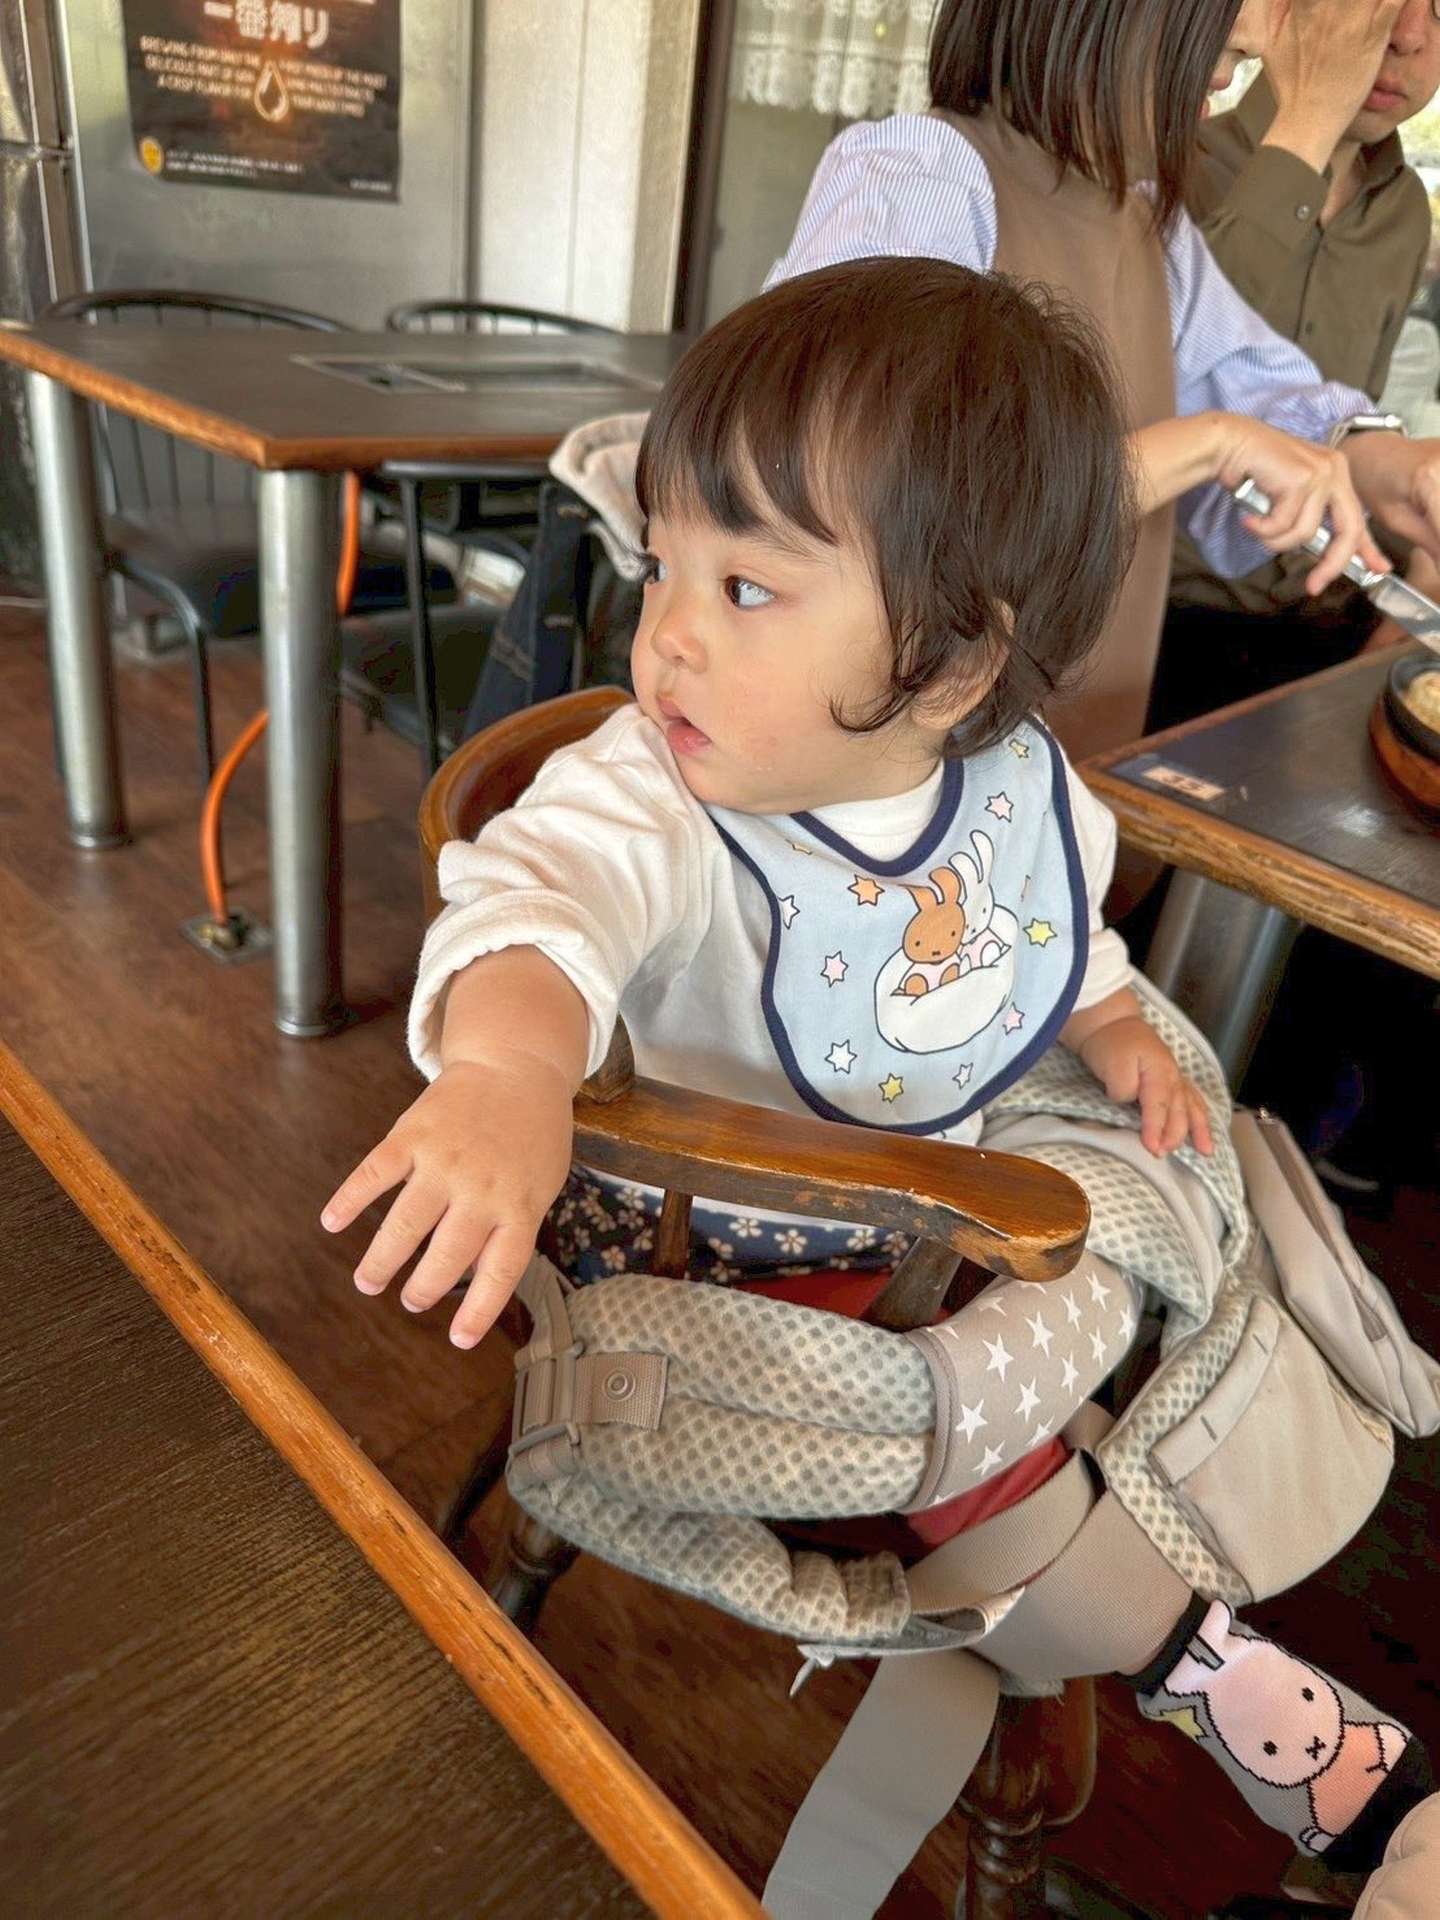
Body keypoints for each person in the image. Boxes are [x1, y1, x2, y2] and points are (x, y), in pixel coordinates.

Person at [322, 260, 1434, 1892]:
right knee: (985, 1430)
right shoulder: (655, 795)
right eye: (663, 564)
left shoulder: (1013, 780)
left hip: (933, 1191)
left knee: (1169, 1222)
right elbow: (536, 903)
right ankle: (1219, 1679)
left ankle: (1134, 1499)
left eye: (746, 587)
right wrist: (503, 1067)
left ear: (955, 671)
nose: (667, 637)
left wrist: (1109, 1026)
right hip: (743, 1241)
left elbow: (1042, 930)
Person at [764, 0, 1440, 764]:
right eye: (1231, 23)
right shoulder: (924, 174)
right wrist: (1206, 446)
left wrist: (1392, 467)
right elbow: (865, 487)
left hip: (1065, 772)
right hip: (892, 779)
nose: (1248, 50)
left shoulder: (1149, 222)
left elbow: (1256, 391)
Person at [1155, 0, 1440, 728]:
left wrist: (1418, 573)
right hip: (1165, 620)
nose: (1408, 37)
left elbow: (1351, 417)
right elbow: (1160, 368)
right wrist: (1306, 129)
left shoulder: (1406, 213)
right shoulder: (1165, 156)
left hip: (1326, 614)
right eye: (1387, 2)